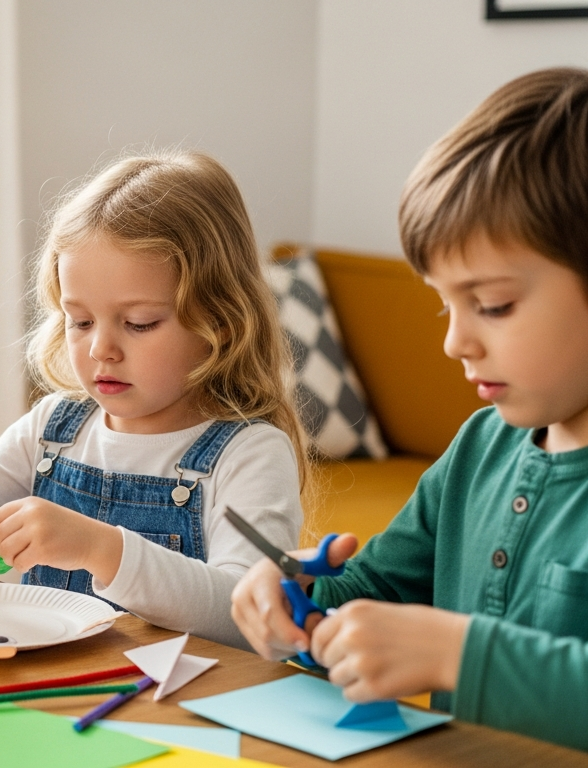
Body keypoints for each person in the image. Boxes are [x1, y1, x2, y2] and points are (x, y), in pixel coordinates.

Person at [231, 67, 588, 751]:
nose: (456, 340)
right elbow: (375, 593)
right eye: (444, 304)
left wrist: (457, 653)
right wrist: (301, 604)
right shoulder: (482, 446)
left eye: (492, 305)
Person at [0, 150, 307, 648]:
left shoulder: (249, 454)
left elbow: (247, 615)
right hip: (52, 694)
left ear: (219, 324)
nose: (101, 349)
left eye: (139, 324)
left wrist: (102, 549)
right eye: (80, 321)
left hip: (171, 710)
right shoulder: (53, 429)